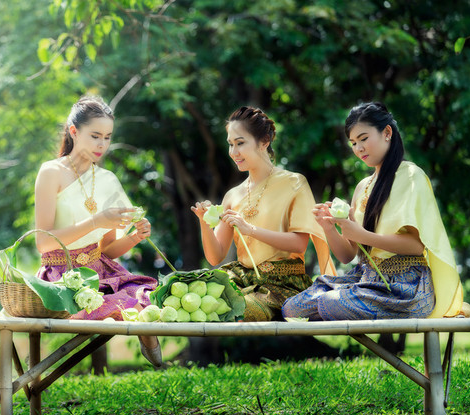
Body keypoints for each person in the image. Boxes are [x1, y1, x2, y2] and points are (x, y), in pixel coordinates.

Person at [282, 102, 464, 321]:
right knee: (292, 308)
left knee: (330, 303)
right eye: (353, 143)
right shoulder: (363, 186)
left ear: (387, 132)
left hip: (405, 286)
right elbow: (348, 255)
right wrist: (330, 228)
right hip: (365, 279)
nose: (358, 148)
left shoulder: (411, 176)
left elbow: (416, 246)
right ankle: (344, 299)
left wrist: (362, 234)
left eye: (364, 139)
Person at [33, 95, 162, 366]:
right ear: (73, 132)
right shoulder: (51, 172)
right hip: (62, 274)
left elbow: (108, 251)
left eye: (107, 137)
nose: (102, 144)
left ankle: (148, 337)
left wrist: (135, 237)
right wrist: (97, 221)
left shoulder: (107, 180)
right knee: (107, 307)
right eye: (94, 136)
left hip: (101, 271)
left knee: (150, 296)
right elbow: (43, 243)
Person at [191, 106, 335, 321]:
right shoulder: (233, 195)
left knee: (233, 310)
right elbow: (215, 256)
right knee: (194, 301)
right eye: (230, 144)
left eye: (240, 143)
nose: (233, 152)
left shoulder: (293, 183)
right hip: (241, 282)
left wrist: (250, 229)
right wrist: (204, 223)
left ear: (264, 141)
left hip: (282, 286)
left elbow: (299, 244)